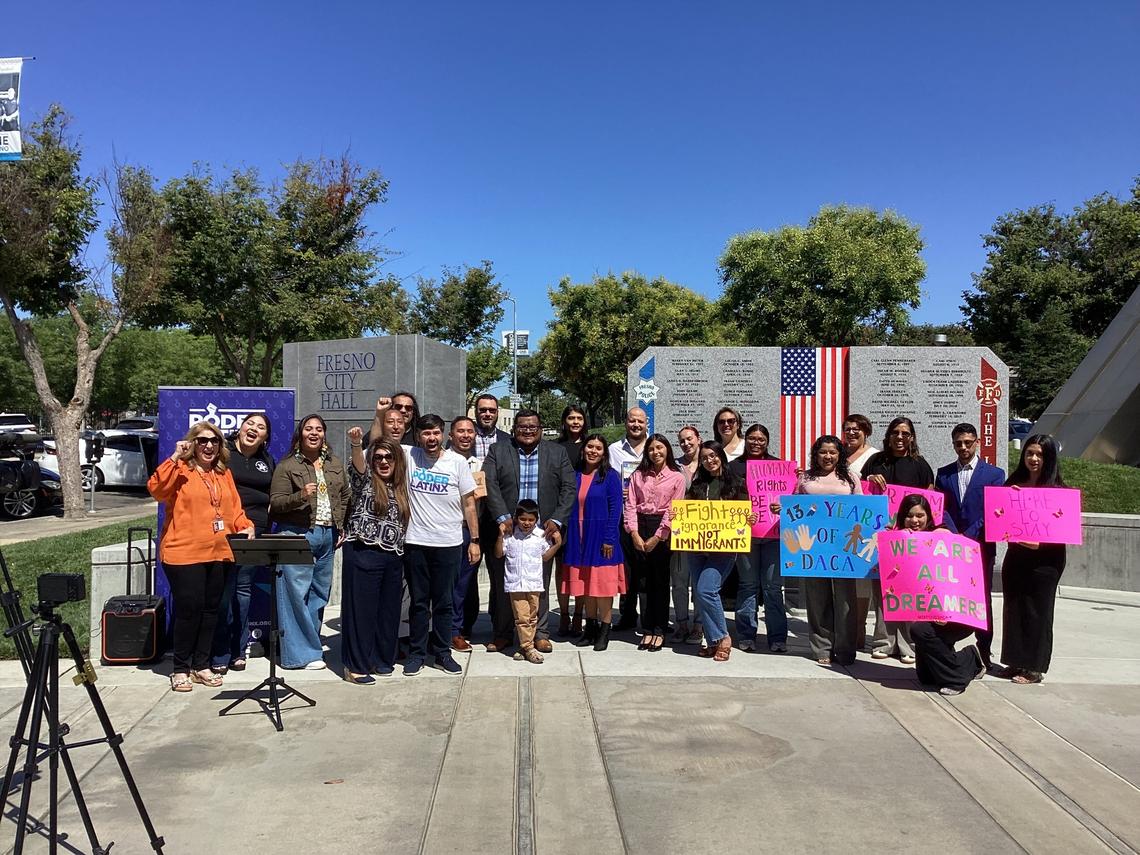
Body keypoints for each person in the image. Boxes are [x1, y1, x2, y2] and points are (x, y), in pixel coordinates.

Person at [148, 422, 254, 692]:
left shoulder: (223, 474)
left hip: (219, 552)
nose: (209, 446)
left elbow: (233, 509)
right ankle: (181, 668)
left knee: (211, 611)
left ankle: (201, 665)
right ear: (192, 444)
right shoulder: (180, 470)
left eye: (215, 441)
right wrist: (175, 456)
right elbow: (157, 489)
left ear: (221, 446)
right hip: (184, 552)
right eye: (203, 441)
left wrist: (245, 525)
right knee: (189, 610)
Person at [482, 409, 576, 653]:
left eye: (532, 427)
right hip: (509, 530)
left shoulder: (557, 452)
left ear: (541, 429)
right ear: (514, 429)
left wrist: (557, 520)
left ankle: (540, 633)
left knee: (539, 583)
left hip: (542, 531)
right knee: (505, 583)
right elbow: (489, 484)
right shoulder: (498, 450)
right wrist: (503, 518)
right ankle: (502, 632)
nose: (527, 431)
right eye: (522, 426)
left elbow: (568, 488)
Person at [270, 414, 352, 670]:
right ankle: (300, 656)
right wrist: (300, 495)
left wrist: (342, 526)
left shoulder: (334, 463)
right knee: (295, 595)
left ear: (324, 434)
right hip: (298, 533)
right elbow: (276, 503)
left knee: (318, 594)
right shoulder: (286, 465)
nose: (314, 433)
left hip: (327, 535)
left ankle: (310, 643)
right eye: (309, 429)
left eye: (319, 429)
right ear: (300, 434)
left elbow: (346, 495)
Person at [403, 414, 481, 676]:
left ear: (444, 435)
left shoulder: (458, 462)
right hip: (416, 541)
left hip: (449, 543)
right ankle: (416, 654)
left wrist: (475, 541)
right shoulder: (408, 455)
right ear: (418, 436)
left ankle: (442, 653)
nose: (431, 438)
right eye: (426, 433)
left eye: (436, 433)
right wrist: (382, 414)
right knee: (419, 603)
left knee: (445, 602)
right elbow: (380, 439)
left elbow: (470, 504)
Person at [996, 435, 1068, 685]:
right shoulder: (1014, 484)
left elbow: (1064, 529)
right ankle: (1015, 660)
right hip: (1017, 556)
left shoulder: (1059, 491)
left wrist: (1039, 544)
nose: (1034, 459)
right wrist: (1009, 498)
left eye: (1039, 454)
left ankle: (1034, 667)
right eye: (1029, 453)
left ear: (1048, 458)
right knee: (1014, 607)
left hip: (1046, 561)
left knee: (1039, 612)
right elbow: (999, 515)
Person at [898, 495, 986, 696]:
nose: (915, 521)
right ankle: (970, 658)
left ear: (929, 516)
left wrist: (947, 612)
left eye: (920, 515)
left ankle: (956, 680)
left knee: (919, 630)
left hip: (955, 615)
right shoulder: (902, 541)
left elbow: (962, 577)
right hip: (928, 615)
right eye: (909, 516)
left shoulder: (941, 535)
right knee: (926, 678)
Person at [935, 423, 1006, 671]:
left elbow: (993, 508)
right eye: (958, 443)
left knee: (981, 598)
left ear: (977, 442)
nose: (963, 447)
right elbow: (941, 507)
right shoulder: (943, 474)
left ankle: (984, 649)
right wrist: (956, 535)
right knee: (952, 596)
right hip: (953, 546)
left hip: (981, 546)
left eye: (967, 442)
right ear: (953, 444)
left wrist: (971, 534)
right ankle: (950, 645)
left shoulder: (995, 474)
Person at [863, 417, 934, 664]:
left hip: (911, 541)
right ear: (888, 436)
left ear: (912, 437)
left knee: (908, 591)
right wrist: (870, 479)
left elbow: (930, 500)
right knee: (883, 590)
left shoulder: (920, 465)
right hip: (881, 538)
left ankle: (908, 645)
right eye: (895, 432)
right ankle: (884, 641)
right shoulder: (876, 461)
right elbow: (861, 492)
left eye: (905, 433)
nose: (900, 437)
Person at [341, 431, 410, 682]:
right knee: (362, 613)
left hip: (393, 556)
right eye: (378, 457)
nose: (383, 461)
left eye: (388, 457)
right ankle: (356, 666)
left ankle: (382, 659)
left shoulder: (401, 487)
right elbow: (358, 467)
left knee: (388, 613)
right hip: (363, 552)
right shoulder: (367, 481)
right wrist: (357, 444)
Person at [210, 413, 274, 675]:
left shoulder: (267, 460)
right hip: (224, 530)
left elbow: (272, 494)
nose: (254, 429)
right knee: (224, 592)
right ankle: (220, 651)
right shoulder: (223, 454)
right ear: (241, 427)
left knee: (244, 590)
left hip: (254, 532)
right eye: (250, 423)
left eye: (260, 427)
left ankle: (239, 650)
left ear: (265, 437)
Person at [794, 434, 862, 666]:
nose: (828, 456)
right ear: (816, 454)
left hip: (844, 548)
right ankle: (821, 646)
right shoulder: (806, 477)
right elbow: (796, 508)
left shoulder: (850, 478)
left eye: (833, 452)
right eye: (823, 452)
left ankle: (845, 650)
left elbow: (862, 509)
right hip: (813, 547)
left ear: (839, 455)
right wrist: (781, 508)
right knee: (817, 598)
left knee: (846, 600)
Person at [687, 441, 752, 662]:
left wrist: (748, 519)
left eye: (713, 456)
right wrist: (679, 518)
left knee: (707, 589)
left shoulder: (736, 483)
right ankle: (713, 641)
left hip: (723, 549)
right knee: (700, 592)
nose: (709, 461)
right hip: (697, 547)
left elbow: (744, 515)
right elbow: (687, 511)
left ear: (721, 457)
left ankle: (723, 638)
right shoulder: (696, 486)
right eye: (704, 458)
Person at [562, 434, 626, 651]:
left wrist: (609, 538)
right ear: (583, 449)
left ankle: (604, 630)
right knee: (585, 586)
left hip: (601, 538)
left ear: (604, 453)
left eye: (598, 448)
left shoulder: (610, 477)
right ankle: (590, 629)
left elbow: (616, 510)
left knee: (602, 588)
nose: (593, 451)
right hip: (579, 537)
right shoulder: (575, 475)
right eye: (590, 447)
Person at [729, 424, 788, 653]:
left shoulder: (778, 466)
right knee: (748, 585)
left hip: (773, 534)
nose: (756, 442)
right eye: (752, 438)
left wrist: (782, 504)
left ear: (767, 441)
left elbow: (791, 496)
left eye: (761, 439)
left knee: (773, 587)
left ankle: (777, 637)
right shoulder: (734, 467)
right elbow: (728, 498)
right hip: (747, 535)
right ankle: (746, 634)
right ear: (746, 440)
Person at [624, 434, 687, 651]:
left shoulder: (677, 477)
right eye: (651, 449)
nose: (655, 452)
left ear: (667, 450)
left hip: (662, 529)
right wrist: (633, 533)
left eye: (660, 448)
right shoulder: (638, 475)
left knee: (659, 582)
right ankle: (647, 628)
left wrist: (659, 536)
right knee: (643, 581)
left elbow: (674, 509)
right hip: (640, 526)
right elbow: (630, 505)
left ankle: (659, 629)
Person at [497, 500, 561, 664]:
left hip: (534, 583)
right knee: (522, 617)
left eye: (531, 520)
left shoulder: (540, 536)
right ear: (517, 518)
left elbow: (545, 556)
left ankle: (523, 647)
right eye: (523, 519)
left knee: (532, 617)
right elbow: (498, 554)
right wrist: (499, 535)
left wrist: (557, 544)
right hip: (515, 584)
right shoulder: (510, 536)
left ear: (536, 519)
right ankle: (529, 649)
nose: (526, 523)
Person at [609, 407, 648, 631]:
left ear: (646, 423)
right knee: (626, 569)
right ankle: (627, 614)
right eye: (632, 421)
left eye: (640, 421)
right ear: (626, 423)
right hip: (623, 517)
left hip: (650, 517)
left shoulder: (655, 447)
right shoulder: (614, 450)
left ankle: (650, 615)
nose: (636, 425)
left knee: (648, 570)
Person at [447, 416, 483, 650]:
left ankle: (455, 630)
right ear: (451, 435)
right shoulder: (440, 460)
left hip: (467, 532)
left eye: (470, 432)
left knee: (461, 587)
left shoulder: (480, 465)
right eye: (460, 431)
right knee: (440, 586)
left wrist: (476, 538)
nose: (465, 435)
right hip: (442, 531)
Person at [842, 414, 877, 648]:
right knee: (846, 579)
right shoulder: (839, 454)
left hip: (863, 523)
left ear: (866, 431)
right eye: (848, 429)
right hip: (840, 523)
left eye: (857, 429)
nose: (852, 433)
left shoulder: (874, 456)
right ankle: (846, 626)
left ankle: (860, 628)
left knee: (862, 579)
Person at [555, 404, 588, 636]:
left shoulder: (590, 447)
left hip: (585, 513)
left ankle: (579, 614)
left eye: (579, 418)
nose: (575, 422)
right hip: (561, 512)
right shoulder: (555, 447)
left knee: (582, 566)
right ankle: (564, 614)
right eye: (571, 418)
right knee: (562, 566)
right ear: (565, 421)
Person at [671, 426, 703, 643]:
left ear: (698, 439)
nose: (686, 443)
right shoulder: (674, 466)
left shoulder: (711, 461)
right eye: (682, 440)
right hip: (681, 531)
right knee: (679, 580)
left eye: (689, 439)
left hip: (706, 533)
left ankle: (699, 625)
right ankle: (681, 623)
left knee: (700, 583)